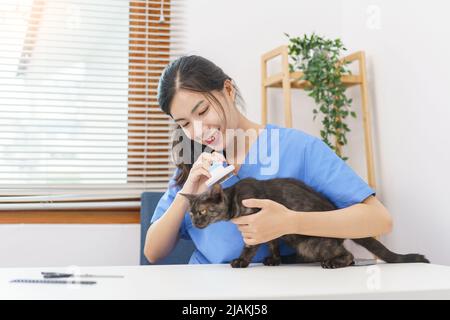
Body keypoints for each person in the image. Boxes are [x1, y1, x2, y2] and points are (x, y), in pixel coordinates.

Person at [144, 55, 392, 264]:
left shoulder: (296, 149)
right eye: (185, 123)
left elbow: (378, 220)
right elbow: (153, 252)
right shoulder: (195, 166)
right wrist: (184, 195)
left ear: (228, 91)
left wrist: (291, 222)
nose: (197, 131)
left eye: (202, 111)